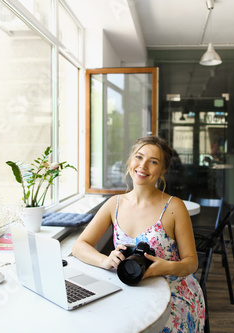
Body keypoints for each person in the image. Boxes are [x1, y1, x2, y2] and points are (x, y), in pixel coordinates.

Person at [72, 136, 205, 332]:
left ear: (163, 171)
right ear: (130, 161)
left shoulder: (174, 207)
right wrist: (104, 260)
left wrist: (166, 267)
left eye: (153, 162)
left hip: (172, 293)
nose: (143, 166)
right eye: (139, 157)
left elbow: (192, 263)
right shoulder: (114, 204)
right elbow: (79, 245)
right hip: (128, 288)